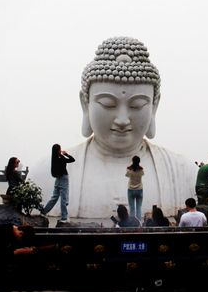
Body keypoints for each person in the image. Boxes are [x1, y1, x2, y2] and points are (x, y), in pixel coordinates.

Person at [30, 37, 196, 218]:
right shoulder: (42, 173)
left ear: (154, 107)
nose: (123, 120)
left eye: (137, 105)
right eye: (108, 104)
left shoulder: (184, 172)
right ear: (85, 104)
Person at [42, 144, 75, 224]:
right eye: (60, 149)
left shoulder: (54, 158)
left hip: (57, 179)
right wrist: (66, 154)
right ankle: (64, 217)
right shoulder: (61, 158)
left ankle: (44, 212)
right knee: (63, 198)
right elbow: (72, 160)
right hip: (63, 178)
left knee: (54, 197)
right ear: (58, 150)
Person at [125, 155, 144, 219]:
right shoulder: (141, 170)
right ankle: (139, 223)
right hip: (139, 190)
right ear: (139, 162)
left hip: (131, 190)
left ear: (132, 161)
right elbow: (142, 174)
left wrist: (129, 167)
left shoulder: (129, 170)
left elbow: (127, 175)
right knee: (139, 208)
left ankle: (132, 223)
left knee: (132, 208)